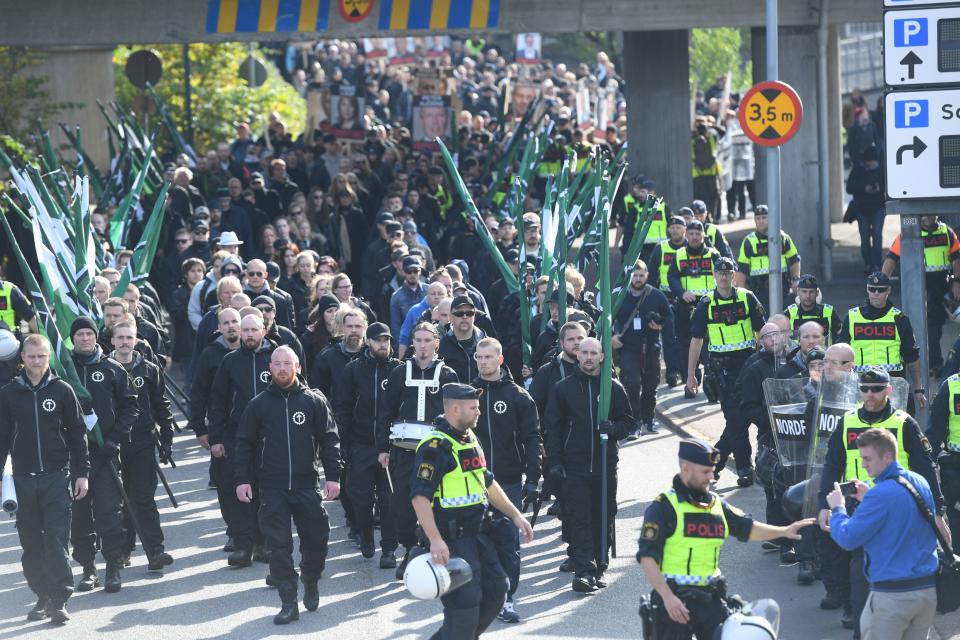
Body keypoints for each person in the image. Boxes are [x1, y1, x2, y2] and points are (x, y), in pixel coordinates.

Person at [637, 438, 814, 640]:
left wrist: (783, 531)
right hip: (675, 601)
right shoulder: (663, 507)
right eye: (705, 472)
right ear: (685, 468)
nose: (711, 477)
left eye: (712, 471)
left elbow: (746, 528)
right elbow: (647, 557)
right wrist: (667, 597)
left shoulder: (716, 504)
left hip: (711, 600)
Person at [817, 368, 946, 639]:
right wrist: (824, 506)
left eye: (876, 389)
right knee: (855, 568)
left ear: (889, 389)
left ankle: (867, 621)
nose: (870, 394)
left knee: (870, 563)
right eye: (865, 389)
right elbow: (831, 466)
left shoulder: (904, 422)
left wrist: (938, 512)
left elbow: (925, 466)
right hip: (859, 503)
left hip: (897, 505)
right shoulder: (847, 420)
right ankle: (857, 613)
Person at [410, 382, 534, 639]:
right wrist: (435, 540)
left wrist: (515, 515)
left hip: (480, 535)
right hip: (453, 541)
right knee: (464, 608)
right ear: (455, 409)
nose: (479, 412)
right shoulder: (435, 447)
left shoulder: (469, 438)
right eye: (474, 408)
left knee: (497, 591)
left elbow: (486, 482)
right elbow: (420, 498)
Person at [233, 346, 340, 625]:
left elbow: (329, 439)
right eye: (277, 364)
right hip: (272, 487)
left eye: (287, 364)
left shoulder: (313, 401)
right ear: (270, 368)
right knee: (278, 547)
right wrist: (242, 480)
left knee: (317, 540)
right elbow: (244, 444)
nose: (282, 368)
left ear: (298, 367)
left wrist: (333, 476)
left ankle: (311, 578)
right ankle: (288, 602)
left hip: (306, 485)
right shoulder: (258, 404)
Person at [0, 334, 89, 624]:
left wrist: (82, 474)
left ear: (48, 357)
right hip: (23, 480)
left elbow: (78, 435)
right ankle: (42, 595)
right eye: (32, 356)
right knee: (31, 544)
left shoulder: (63, 391)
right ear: (22, 358)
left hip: (56, 477)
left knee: (56, 541)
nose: (37, 361)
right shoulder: (8, 394)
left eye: (42, 356)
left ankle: (60, 599)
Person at [826, 428, 941, 640]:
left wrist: (838, 509)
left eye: (868, 458)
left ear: (887, 456)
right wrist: (868, 497)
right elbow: (904, 515)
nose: (863, 464)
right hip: (926, 592)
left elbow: (848, 538)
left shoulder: (880, 496)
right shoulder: (919, 481)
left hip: (892, 597)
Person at [544, 337, 634, 593]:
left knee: (603, 515)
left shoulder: (613, 388)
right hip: (574, 467)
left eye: (594, 353)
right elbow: (553, 428)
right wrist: (554, 462)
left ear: (602, 357)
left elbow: (629, 422)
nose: (588, 357)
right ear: (577, 355)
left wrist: (613, 428)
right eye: (584, 352)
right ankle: (584, 571)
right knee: (580, 518)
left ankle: (600, 566)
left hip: (605, 466)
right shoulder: (563, 389)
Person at [377, 322, 458, 577]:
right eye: (418, 340)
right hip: (404, 451)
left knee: (435, 504)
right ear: (413, 343)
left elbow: (456, 415)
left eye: (427, 340)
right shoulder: (400, 373)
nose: (422, 346)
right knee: (401, 504)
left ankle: (429, 549)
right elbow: (385, 413)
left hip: (436, 452)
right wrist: (382, 448)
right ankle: (410, 549)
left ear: (436, 342)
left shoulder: (448, 375)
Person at [471, 338, 542, 622]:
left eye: (489, 357)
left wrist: (534, 478)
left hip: (508, 481)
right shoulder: (467, 394)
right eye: (479, 357)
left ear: (500, 360)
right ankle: (478, 596)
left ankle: (507, 599)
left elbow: (533, 438)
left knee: (509, 543)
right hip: (472, 482)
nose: (483, 361)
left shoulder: (518, 396)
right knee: (474, 542)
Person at [69, 316, 139, 594]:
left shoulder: (113, 369)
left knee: (110, 513)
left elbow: (131, 407)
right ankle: (88, 568)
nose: (85, 338)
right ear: (72, 338)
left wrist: (114, 441)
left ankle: (113, 565)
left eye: (89, 333)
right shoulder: (63, 370)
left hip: (106, 454)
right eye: (79, 334)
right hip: (75, 457)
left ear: (96, 336)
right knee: (81, 515)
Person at [686, 258, 766, 485]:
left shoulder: (747, 297)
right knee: (735, 419)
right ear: (714, 275)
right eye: (719, 273)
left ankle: (712, 464)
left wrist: (762, 360)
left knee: (740, 420)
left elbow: (762, 331)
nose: (723, 277)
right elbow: (696, 341)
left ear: (734, 275)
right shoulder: (706, 304)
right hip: (722, 370)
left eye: (727, 272)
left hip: (748, 365)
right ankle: (744, 469)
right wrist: (691, 374)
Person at [208, 313, 276, 568]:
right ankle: (243, 545)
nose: (248, 334)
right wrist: (215, 438)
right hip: (237, 437)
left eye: (253, 330)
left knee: (266, 492)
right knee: (239, 491)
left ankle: (264, 543)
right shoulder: (230, 362)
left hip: (270, 438)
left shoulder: (276, 357)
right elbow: (217, 402)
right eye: (244, 329)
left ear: (263, 331)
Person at [332, 322, 402, 567]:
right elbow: (342, 407)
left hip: (391, 445)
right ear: (368, 342)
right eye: (377, 340)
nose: (383, 344)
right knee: (360, 497)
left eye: (386, 340)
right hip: (361, 444)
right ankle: (365, 536)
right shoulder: (353, 370)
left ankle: (390, 550)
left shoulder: (398, 370)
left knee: (388, 499)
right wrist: (345, 443)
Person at [110, 319, 176, 572]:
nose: (125, 342)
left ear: (136, 340)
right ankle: (123, 550)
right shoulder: (104, 369)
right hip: (113, 443)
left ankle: (155, 551)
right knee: (119, 499)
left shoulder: (149, 369)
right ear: (113, 340)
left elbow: (161, 404)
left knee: (144, 497)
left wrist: (167, 436)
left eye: (130, 337)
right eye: (121, 337)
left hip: (142, 441)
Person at [882, 215, 960, 376]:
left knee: (936, 326)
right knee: (930, 326)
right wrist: (882, 283)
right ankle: (935, 364)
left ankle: (937, 363)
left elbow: (957, 258)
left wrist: (957, 281)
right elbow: (892, 258)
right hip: (920, 286)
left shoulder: (947, 232)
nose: (928, 218)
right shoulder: (908, 232)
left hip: (943, 285)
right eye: (924, 214)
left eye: (931, 214)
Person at [837, 272, 926, 410]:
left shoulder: (899, 318)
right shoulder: (852, 317)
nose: (876, 293)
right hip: (862, 388)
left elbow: (912, 357)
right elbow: (841, 355)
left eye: (881, 289)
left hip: (893, 387)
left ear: (888, 290)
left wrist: (919, 389)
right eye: (872, 289)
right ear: (867, 289)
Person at [613, 260, 673, 437]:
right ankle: (634, 423)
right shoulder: (621, 296)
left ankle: (648, 419)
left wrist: (660, 326)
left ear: (647, 275)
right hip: (628, 348)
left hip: (651, 348)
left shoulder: (657, 296)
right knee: (631, 385)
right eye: (635, 275)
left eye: (641, 275)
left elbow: (669, 318)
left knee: (650, 386)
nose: (638, 279)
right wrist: (611, 338)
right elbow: (607, 318)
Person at [735, 204, 802, 310]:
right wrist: (741, 294)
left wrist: (796, 280)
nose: (761, 221)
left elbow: (795, 260)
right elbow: (742, 271)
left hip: (782, 290)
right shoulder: (749, 241)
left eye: (764, 217)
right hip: (759, 292)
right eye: (758, 218)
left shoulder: (783, 238)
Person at [647, 216, 687, 386]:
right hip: (666, 298)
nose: (675, 230)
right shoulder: (660, 249)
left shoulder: (691, 248)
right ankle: (672, 372)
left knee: (686, 338)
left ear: (684, 229)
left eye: (678, 227)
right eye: (672, 227)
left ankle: (688, 371)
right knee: (669, 338)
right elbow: (652, 276)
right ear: (668, 230)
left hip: (687, 299)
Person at [846, 147, 886, 273]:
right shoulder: (858, 171)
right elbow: (849, 188)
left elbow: (888, 186)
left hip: (878, 208)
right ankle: (868, 264)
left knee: (877, 236)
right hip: (862, 209)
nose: (871, 165)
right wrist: (864, 187)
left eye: (873, 162)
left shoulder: (882, 171)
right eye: (869, 162)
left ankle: (877, 264)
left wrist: (879, 187)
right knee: (865, 237)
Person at [438, 295, 486, 384]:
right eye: (459, 313)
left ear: (474, 317)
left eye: (469, 313)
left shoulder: (487, 344)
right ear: (451, 317)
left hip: (481, 396)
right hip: (452, 397)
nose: (464, 317)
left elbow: (502, 375)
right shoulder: (441, 346)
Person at [785, 274, 838, 345]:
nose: (808, 296)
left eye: (811, 292)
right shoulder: (789, 313)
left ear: (817, 292)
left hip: (824, 355)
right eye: (804, 291)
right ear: (798, 292)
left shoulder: (829, 312)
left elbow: (840, 338)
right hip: (797, 355)